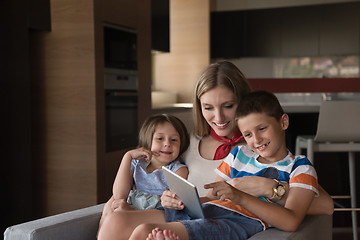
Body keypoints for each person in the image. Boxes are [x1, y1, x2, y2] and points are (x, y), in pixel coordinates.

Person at [97, 61, 333, 239]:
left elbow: (323, 204)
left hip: (220, 220)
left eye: (228, 106)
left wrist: (271, 188)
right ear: (199, 108)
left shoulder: (261, 149)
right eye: (208, 107)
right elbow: (151, 175)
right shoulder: (185, 142)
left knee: (147, 231)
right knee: (115, 221)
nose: (218, 118)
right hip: (196, 210)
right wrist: (150, 199)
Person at [141, 90, 321, 240]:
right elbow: (212, 197)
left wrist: (239, 196)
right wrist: (183, 200)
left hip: (238, 221)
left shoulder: (300, 168)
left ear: (283, 122)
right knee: (141, 231)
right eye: (248, 135)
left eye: (262, 129)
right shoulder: (239, 154)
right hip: (211, 210)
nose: (256, 140)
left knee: (152, 233)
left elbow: (291, 221)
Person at [109, 114, 190, 212]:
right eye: (160, 138)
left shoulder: (178, 170)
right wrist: (128, 156)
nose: (167, 144)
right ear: (148, 140)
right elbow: (119, 195)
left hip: (155, 217)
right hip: (128, 212)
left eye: (174, 140)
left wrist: (131, 213)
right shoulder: (137, 164)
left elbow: (174, 206)